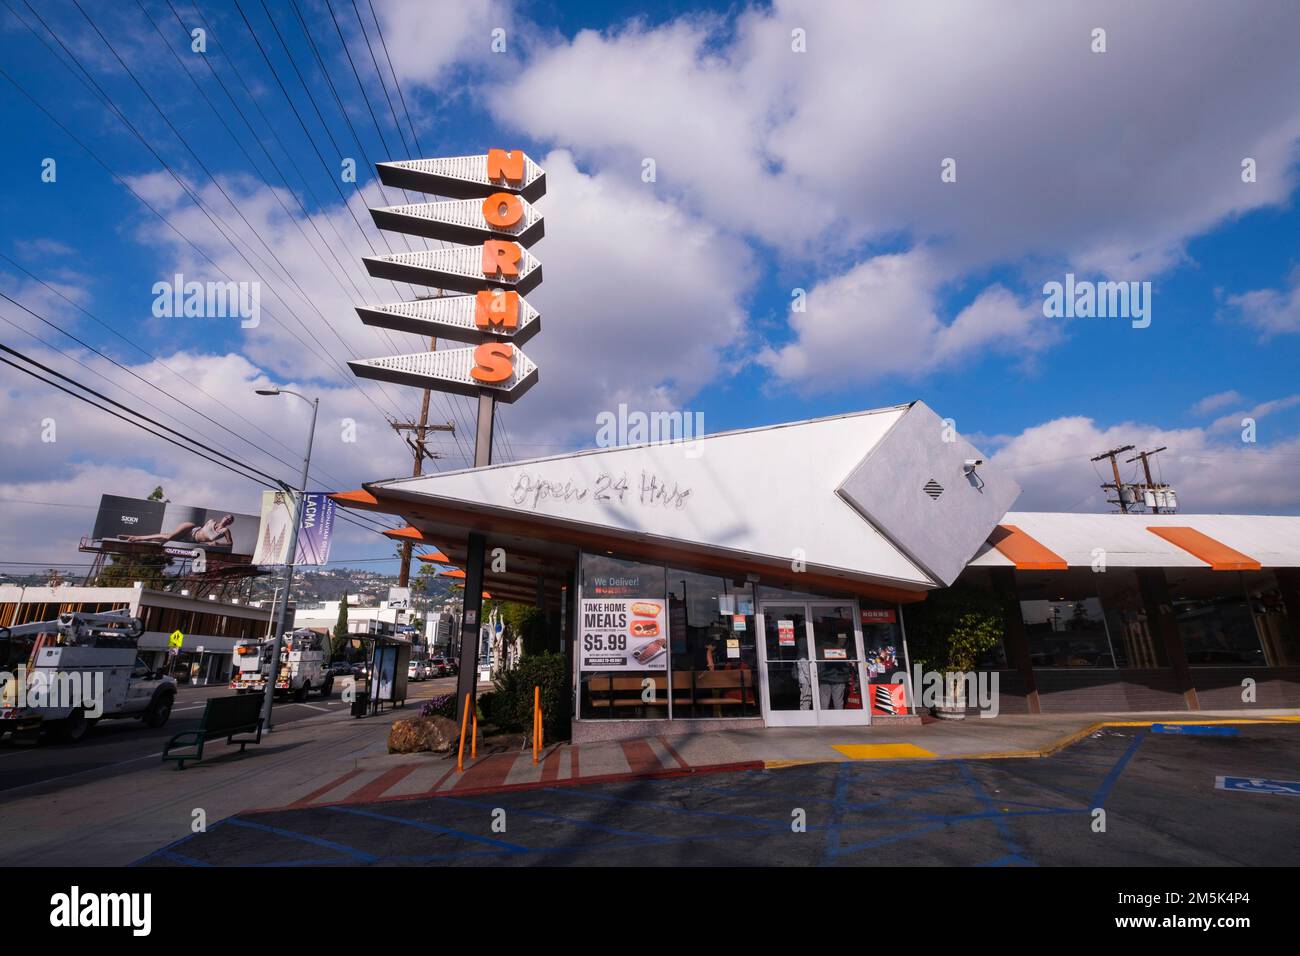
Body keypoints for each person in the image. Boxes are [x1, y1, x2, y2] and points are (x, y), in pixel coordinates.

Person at [122, 514, 235, 548]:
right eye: (227, 517)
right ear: (223, 517)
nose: (227, 519)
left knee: (165, 537)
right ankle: (138, 538)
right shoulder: (211, 521)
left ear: (230, 523)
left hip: (191, 540)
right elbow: (201, 530)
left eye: (230, 519)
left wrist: (217, 543)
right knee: (167, 537)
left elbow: (230, 544)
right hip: (190, 529)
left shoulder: (225, 531)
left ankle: (138, 539)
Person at [818, 633, 854, 709]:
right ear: (838, 639)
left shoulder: (822, 648)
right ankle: (839, 718)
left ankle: (824, 719)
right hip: (837, 678)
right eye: (842, 639)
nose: (844, 640)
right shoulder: (843, 650)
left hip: (826, 677)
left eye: (844, 639)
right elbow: (847, 662)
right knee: (837, 701)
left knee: (825, 701)